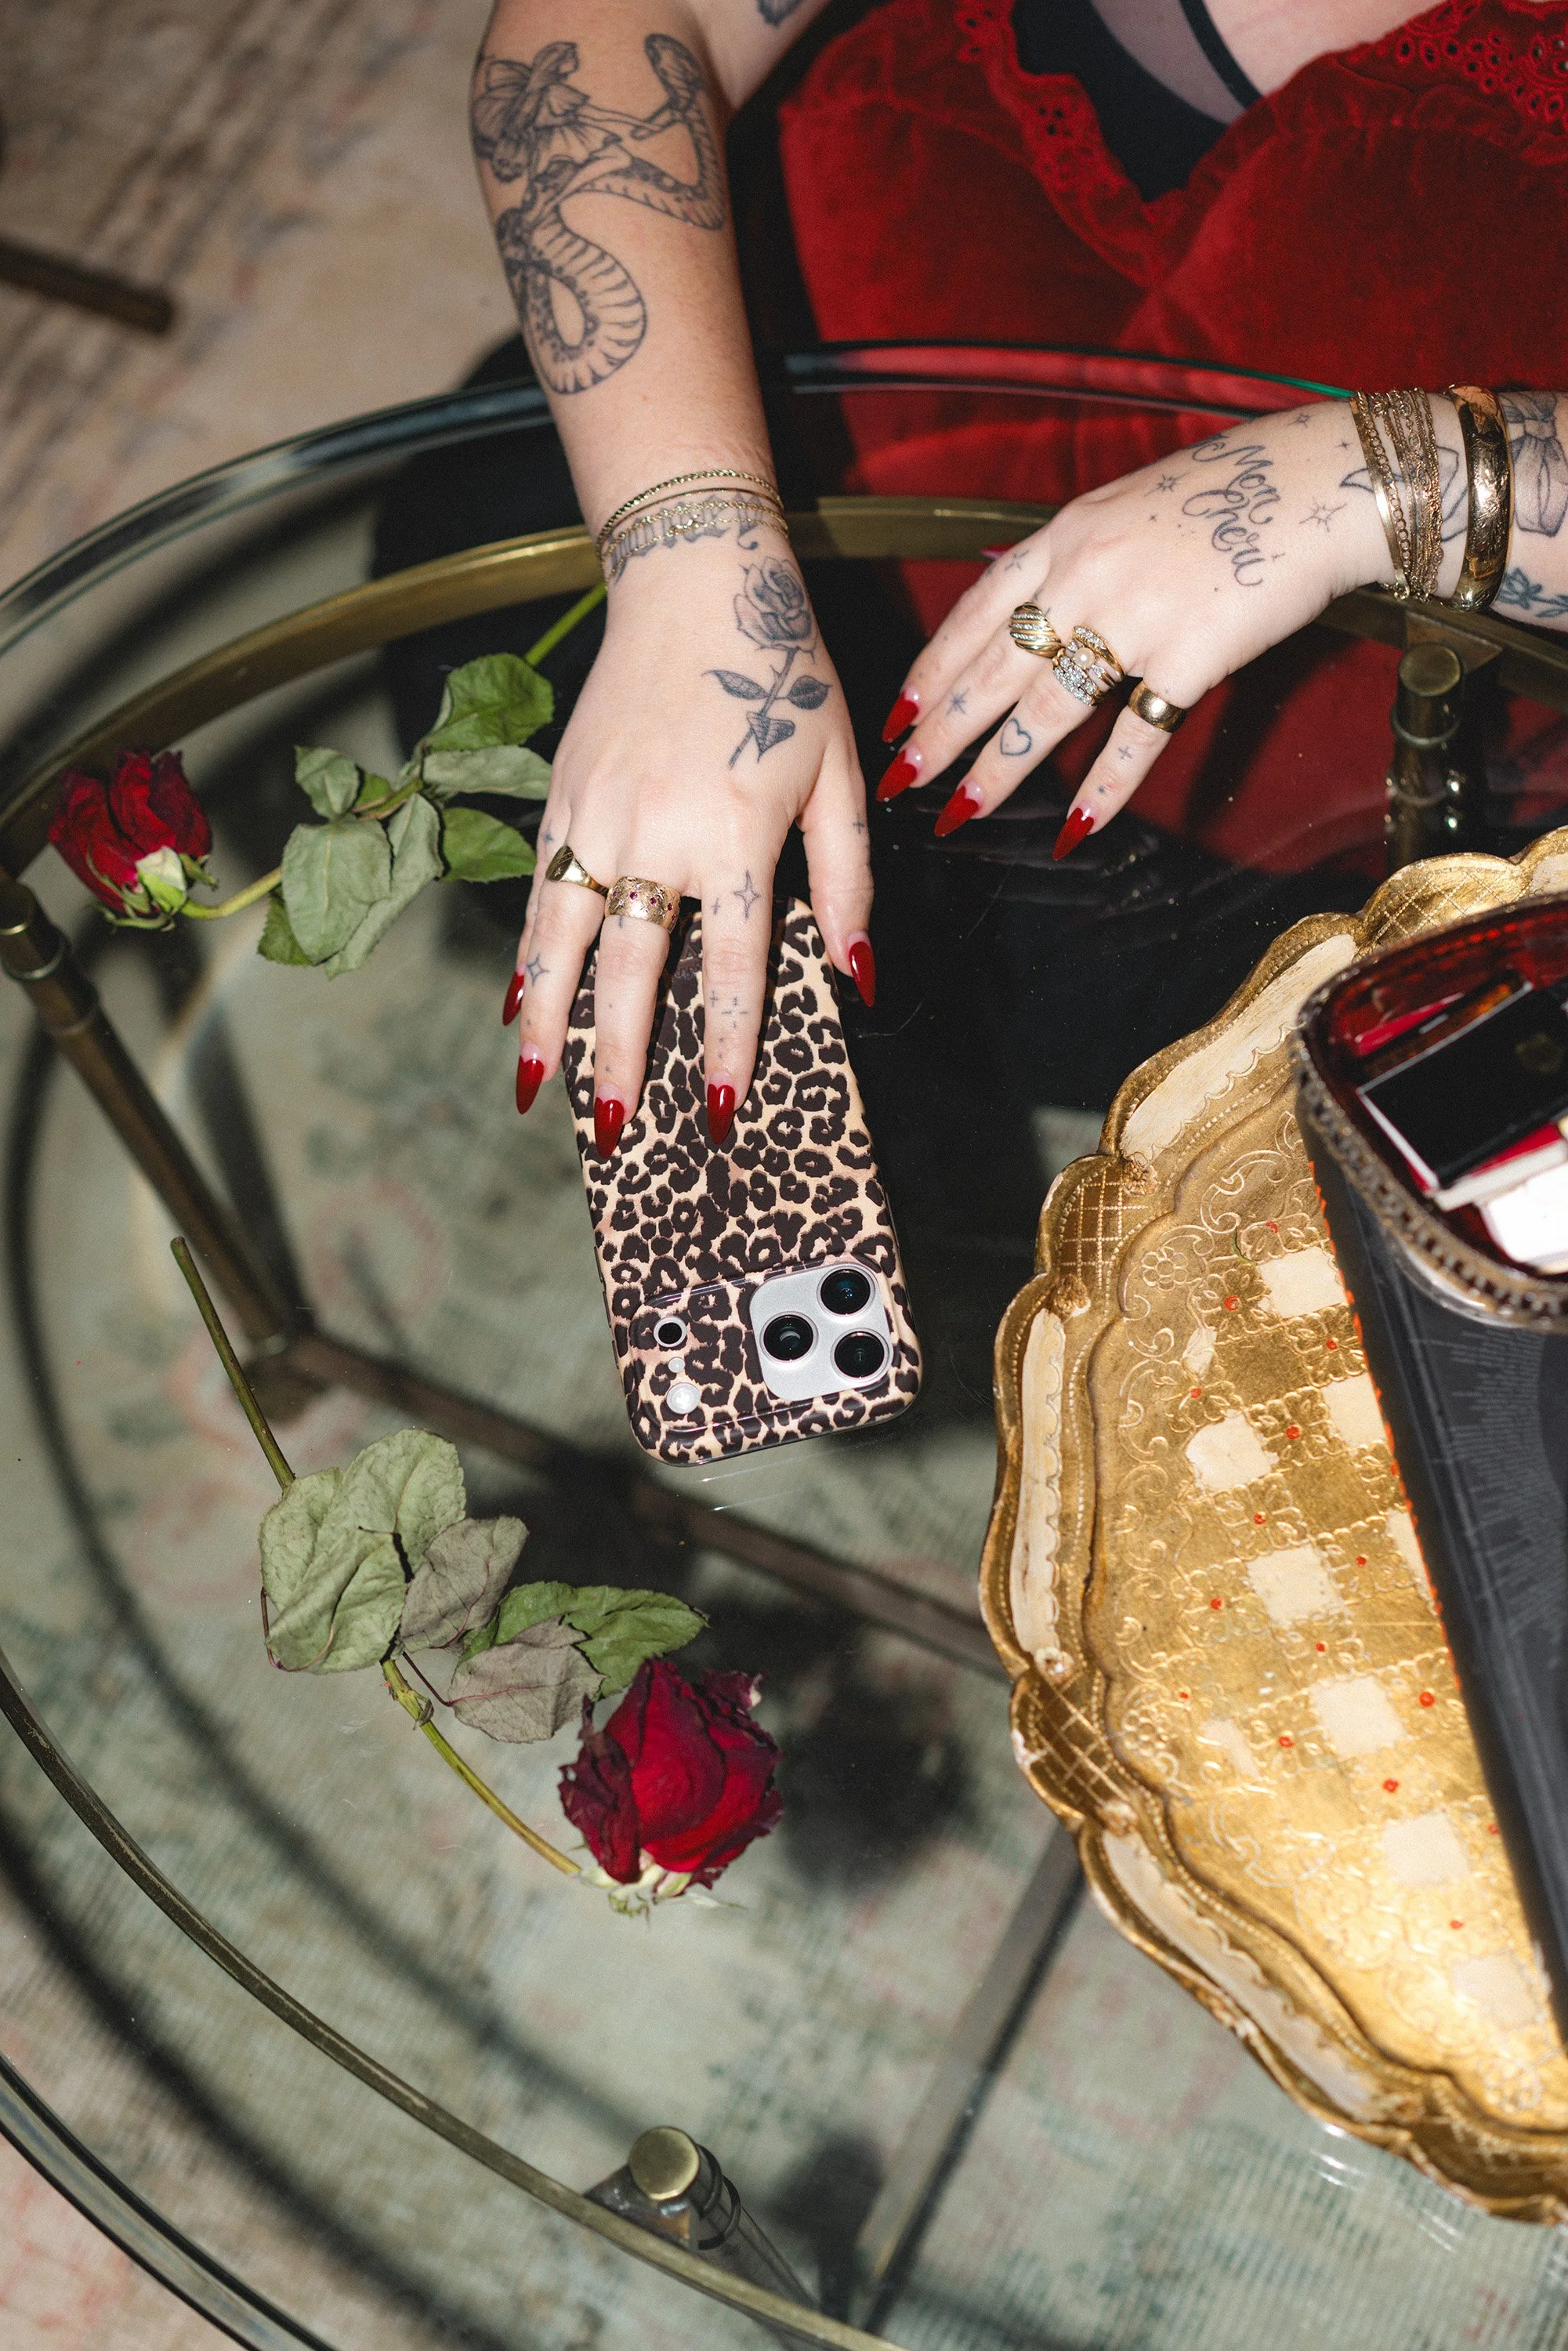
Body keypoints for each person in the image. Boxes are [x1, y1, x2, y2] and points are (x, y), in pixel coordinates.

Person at [472, 0, 1568, 1154]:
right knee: (490, 667)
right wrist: (689, 550)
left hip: (1310, 828)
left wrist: (1397, 477)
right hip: (797, 472)